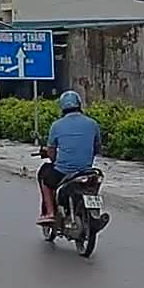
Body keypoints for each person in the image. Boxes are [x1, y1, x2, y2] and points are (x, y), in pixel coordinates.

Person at [38, 90, 100, 224]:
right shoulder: (93, 123)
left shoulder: (56, 125)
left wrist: (54, 159)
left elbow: (51, 151)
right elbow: (97, 147)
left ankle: (50, 212)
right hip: (87, 170)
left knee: (44, 177)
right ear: (79, 104)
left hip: (64, 171)